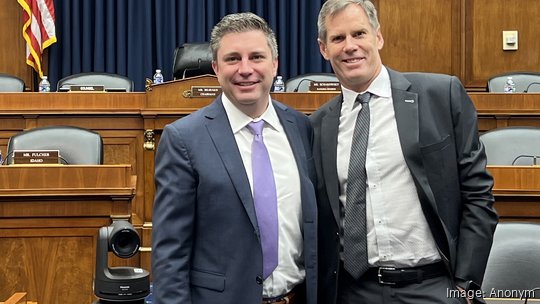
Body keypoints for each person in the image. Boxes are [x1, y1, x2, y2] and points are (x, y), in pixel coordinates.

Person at [310, 1, 498, 303]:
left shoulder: (440, 95)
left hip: (434, 286)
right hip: (354, 291)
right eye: (338, 38)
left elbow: (478, 193)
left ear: (378, 37)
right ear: (324, 48)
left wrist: (465, 284)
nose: (350, 46)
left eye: (359, 33)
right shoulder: (318, 125)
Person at [152, 12, 317, 304]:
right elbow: (170, 254)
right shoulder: (183, 139)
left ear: (275, 64)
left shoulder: (302, 127)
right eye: (232, 59)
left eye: (256, 57)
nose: (245, 69)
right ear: (216, 67)